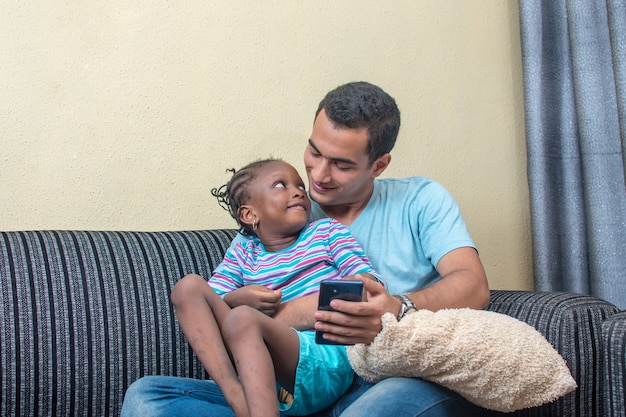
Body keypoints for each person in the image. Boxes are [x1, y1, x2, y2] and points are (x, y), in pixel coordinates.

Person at [121, 81, 490, 417]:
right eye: (314, 152)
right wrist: (245, 307)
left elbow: (473, 285)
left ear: (378, 165)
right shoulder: (274, 219)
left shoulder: (420, 200)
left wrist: (397, 305)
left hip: (373, 378)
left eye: (342, 164)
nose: (317, 176)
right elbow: (222, 302)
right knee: (148, 399)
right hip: (276, 383)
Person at [170, 158, 383, 417]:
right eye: (280, 185)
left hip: (324, 359)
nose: (298, 191)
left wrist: (336, 294)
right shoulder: (244, 252)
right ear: (250, 214)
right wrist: (238, 298)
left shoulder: (326, 232)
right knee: (188, 288)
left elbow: (369, 284)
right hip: (259, 374)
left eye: (300, 186)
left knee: (243, 319)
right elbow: (210, 301)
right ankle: (236, 396)